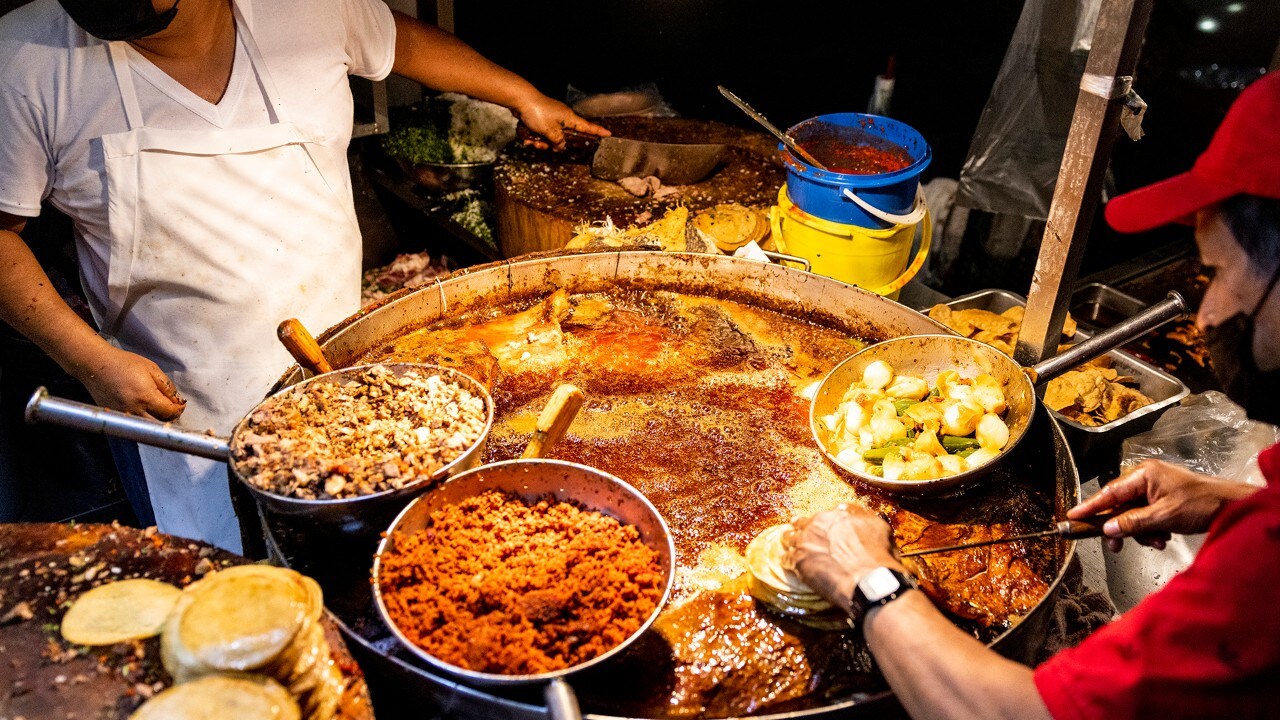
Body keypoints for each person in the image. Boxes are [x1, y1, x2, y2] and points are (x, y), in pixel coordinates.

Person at [0, 0, 606, 551]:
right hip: (183, 407)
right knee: (229, 590)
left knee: (364, 564)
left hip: (349, 378)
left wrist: (520, 93)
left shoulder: (306, 8)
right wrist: (87, 359)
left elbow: (401, 39)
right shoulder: (26, 55)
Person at [786, 71, 1280, 719]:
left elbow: (1017, 714)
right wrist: (1227, 502)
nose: (1206, 312)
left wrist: (866, 579)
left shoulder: (1264, 570)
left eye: (1212, 272)